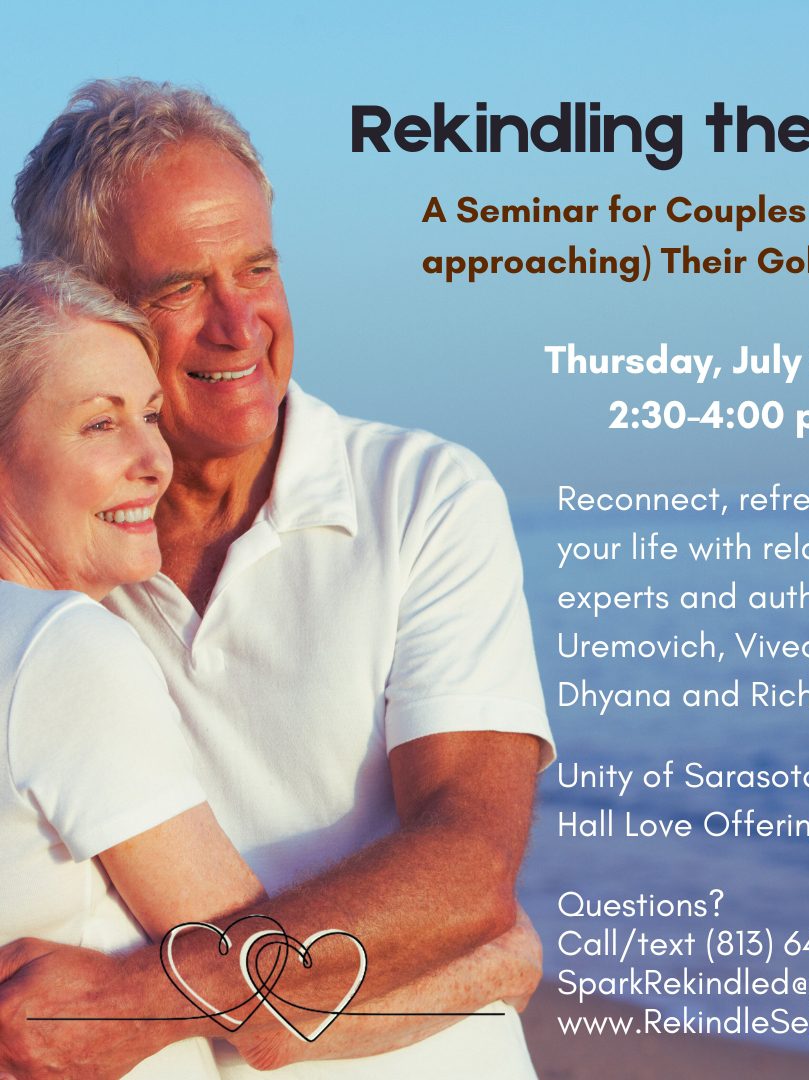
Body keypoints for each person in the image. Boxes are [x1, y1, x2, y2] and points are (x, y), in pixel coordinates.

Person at [0, 79, 553, 1078]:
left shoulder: (422, 495)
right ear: (84, 308)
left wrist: (135, 1004)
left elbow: (468, 860)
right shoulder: (63, 574)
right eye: (179, 288)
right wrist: (480, 965)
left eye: (256, 267)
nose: (239, 321)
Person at [0, 260, 266, 1078]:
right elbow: (269, 994)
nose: (155, 458)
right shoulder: (62, 648)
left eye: (149, 415)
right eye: (99, 424)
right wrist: (492, 958)